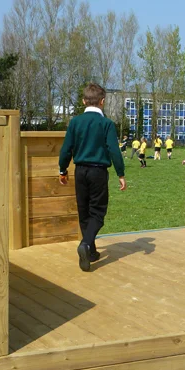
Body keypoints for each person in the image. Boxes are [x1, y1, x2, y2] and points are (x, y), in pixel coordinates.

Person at [58, 83, 127, 272]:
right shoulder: (106, 124)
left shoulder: (75, 122)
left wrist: (62, 169)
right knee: (98, 213)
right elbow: (114, 150)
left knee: (84, 212)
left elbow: (66, 149)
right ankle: (86, 245)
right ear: (102, 102)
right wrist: (120, 173)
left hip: (79, 171)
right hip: (98, 172)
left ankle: (91, 252)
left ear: (83, 101)